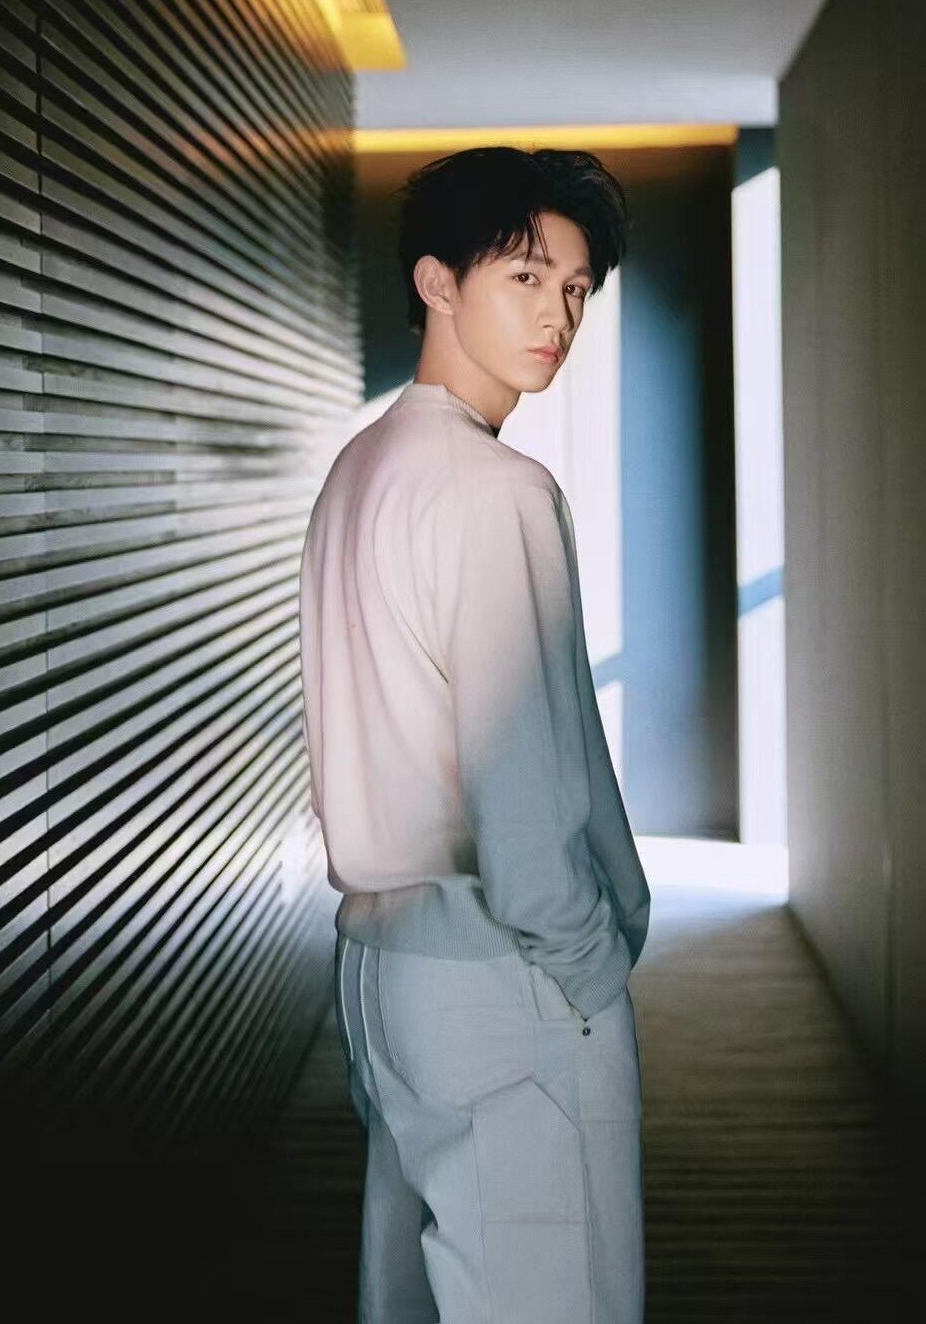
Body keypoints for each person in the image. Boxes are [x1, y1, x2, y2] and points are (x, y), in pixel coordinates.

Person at [297, 146, 651, 1323]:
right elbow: (523, 793)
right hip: (504, 980)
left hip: (383, 981)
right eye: (526, 278)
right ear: (437, 282)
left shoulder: (358, 472)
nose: (559, 316)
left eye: (577, 289)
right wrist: (594, 969)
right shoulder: (497, 491)